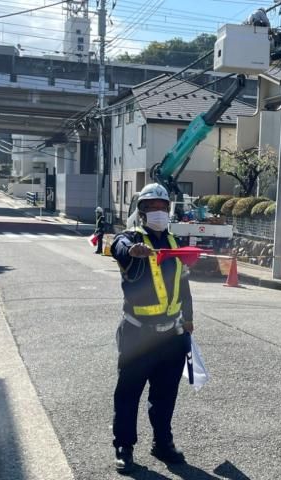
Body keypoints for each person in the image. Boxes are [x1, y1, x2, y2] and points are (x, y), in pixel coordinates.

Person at [110, 183, 194, 474]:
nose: (158, 211)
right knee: (128, 393)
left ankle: (162, 443)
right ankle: (124, 447)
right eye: (151, 207)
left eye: (162, 207)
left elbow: (183, 284)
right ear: (141, 211)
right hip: (137, 333)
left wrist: (188, 319)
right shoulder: (130, 238)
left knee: (165, 395)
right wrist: (132, 250)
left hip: (171, 335)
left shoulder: (174, 243)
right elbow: (117, 246)